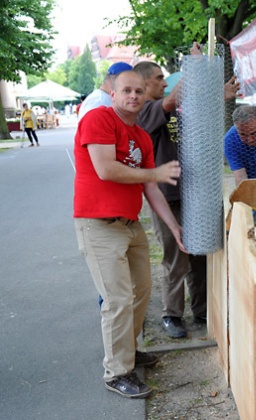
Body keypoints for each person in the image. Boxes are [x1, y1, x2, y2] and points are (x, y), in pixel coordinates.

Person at [73, 71, 186, 399]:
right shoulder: (100, 119)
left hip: (130, 224)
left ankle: (130, 352)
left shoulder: (141, 136)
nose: (133, 96)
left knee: (141, 292)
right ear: (113, 92)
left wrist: (175, 228)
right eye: (126, 90)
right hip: (99, 224)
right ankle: (117, 372)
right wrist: (154, 172)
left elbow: (150, 188)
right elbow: (106, 169)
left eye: (139, 91)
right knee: (118, 300)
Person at [133, 42, 241, 339]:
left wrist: (219, 95)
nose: (164, 82)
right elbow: (175, 98)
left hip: (195, 193)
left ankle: (202, 310)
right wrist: (198, 66)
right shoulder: (145, 112)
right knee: (176, 257)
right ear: (143, 82)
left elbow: (195, 110)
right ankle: (172, 314)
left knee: (200, 256)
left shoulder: (173, 109)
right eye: (158, 78)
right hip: (168, 199)